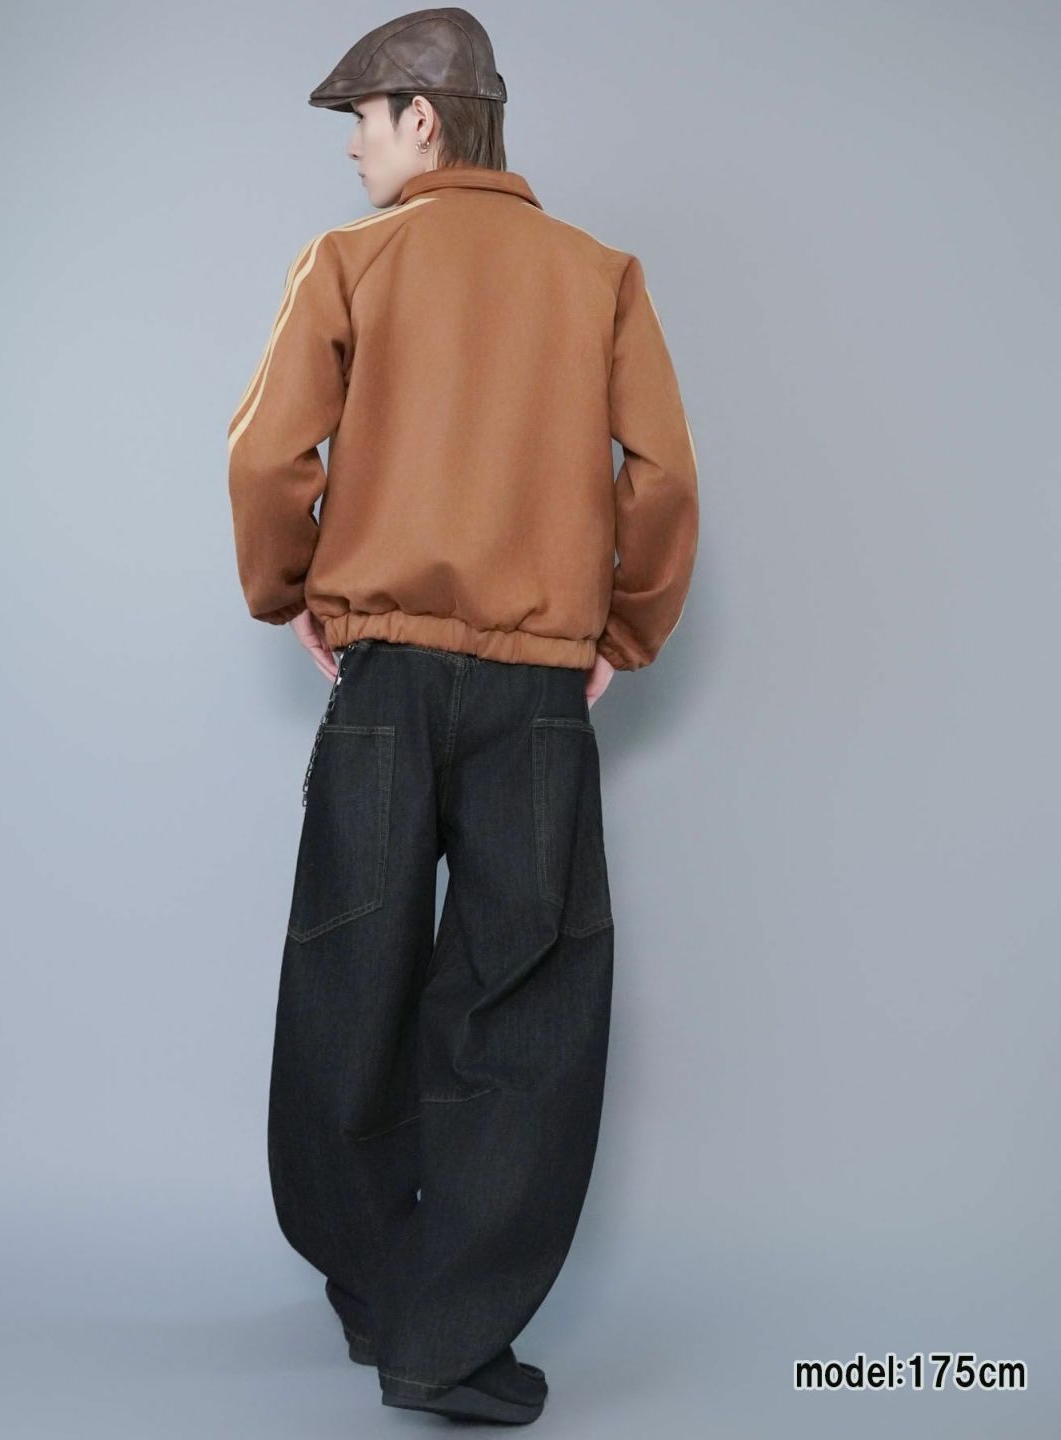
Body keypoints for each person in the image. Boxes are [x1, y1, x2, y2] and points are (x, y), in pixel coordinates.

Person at [226, 6, 699, 1424]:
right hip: (535, 697)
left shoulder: (353, 261)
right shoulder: (597, 275)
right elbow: (663, 478)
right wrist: (618, 629)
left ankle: (380, 1292)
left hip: (383, 683)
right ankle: (448, 1330)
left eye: (364, 122)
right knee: (521, 1006)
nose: (355, 151)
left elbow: (266, 458)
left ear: (423, 120)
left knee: (349, 984)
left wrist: (293, 592)